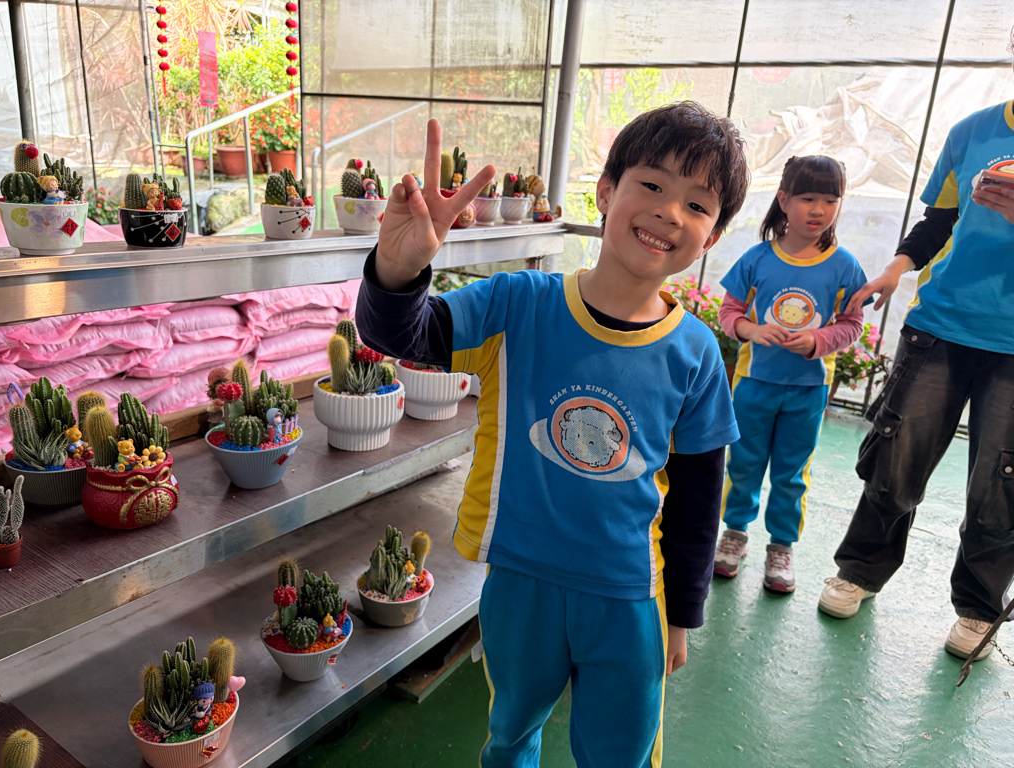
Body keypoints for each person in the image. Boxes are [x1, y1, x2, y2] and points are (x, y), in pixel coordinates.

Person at [356, 103, 749, 767]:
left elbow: (697, 499)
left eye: (697, 204)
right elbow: (403, 334)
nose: (669, 213)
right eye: (652, 185)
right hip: (520, 583)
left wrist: (681, 613)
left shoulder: (697, 353)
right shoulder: (518, 304)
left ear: (711, 237)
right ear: (606, 191)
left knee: (619, 753)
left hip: (631, 598)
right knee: (511, 734)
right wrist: (398, 272)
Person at [818, 33, 1014, 663]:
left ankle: (979, 606)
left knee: (1001, 482)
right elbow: (940, 222)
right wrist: (894, 269)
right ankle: (860, 570)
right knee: (896, 458)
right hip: (943, 324)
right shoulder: (973, 131)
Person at [712, 156, 868, 594]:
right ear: (783, 200)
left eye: (830, 200)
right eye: (808, 198)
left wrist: (819, 340)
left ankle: (781, 546)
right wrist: (752, 330)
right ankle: (735, 533)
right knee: (743, 463)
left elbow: (852, 324)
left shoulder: (845, 266)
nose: (818, 209)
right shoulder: (756, 258)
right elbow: (729, 313)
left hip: (808, 390)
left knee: (792, 472)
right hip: (753, 384)